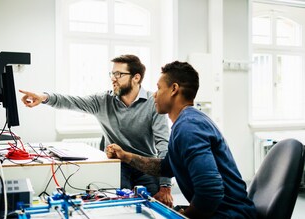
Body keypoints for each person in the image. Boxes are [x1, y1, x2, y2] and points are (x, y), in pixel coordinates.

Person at [106, 61, 257, 218]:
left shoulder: (189, 127)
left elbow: (210, 191)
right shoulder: (186, 122)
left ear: (174, 89)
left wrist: (184, 215)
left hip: (230, 215)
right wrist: (126, 156)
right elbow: (165, 167)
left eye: (159, 88)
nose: (154, 94)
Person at [19, 54, 173, 207]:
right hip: (117, 165)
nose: (113, 78)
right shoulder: (103, 101)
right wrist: (44, 97)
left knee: (154, 206)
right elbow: (72, 101)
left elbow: (163, 145)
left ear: (136, 78)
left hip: (145, 165)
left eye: (119, 74)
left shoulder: (155, 103)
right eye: (112, 74)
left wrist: (165, 186)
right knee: (120, 206)